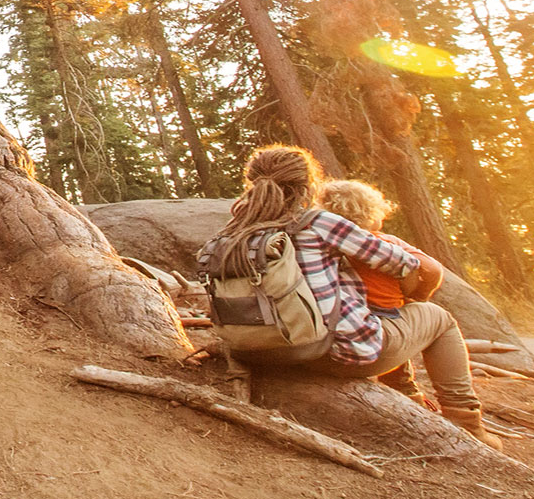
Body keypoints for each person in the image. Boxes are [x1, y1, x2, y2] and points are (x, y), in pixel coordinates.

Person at [213, 145, 500, 448]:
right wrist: (411, 294)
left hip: (261, 353)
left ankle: (410, 397)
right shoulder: (317, 222)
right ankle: (466, 421)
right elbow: (401, 263)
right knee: (439, 319)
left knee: (382, 316)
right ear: (308, 187)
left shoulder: (232, 232)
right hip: (334, 353)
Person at [317, 178, 440, 410]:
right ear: (372, 211)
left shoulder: (325, 242)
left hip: (343, 316)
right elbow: (432, 270)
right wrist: (419, 297)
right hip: (386, 313)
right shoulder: (386, 242)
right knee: (405, 337)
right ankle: (410, 396)